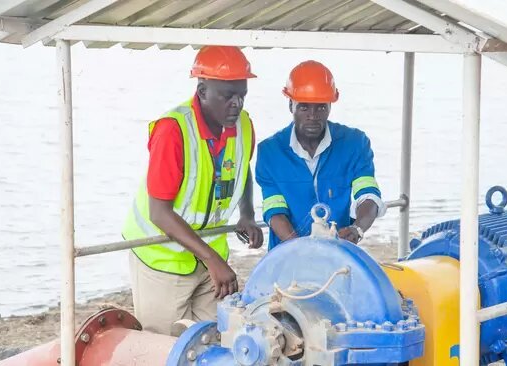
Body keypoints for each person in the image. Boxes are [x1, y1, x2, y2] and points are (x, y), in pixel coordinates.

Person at [122, 46, 263, 335]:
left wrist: (246, 214)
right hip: (162, 258)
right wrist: (213, 260)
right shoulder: (173, 130)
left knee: (219, 338)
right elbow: (159, 212)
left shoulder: (243, 125)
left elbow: (241, 169)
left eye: (242, 95)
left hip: (208, 251)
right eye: (227, 96)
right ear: (201, 91)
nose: (236, 104)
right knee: (164, 347)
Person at [255, 60, 385, 250]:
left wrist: (357, 229)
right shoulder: (270, 151)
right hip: (288, 253)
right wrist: (301, 249)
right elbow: (275, 211)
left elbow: (368, 196)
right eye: (304, 107)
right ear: (291, 105)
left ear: (330, 106)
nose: (313, 115)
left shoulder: (355, 144)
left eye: (321, 107)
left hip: (339, 251)